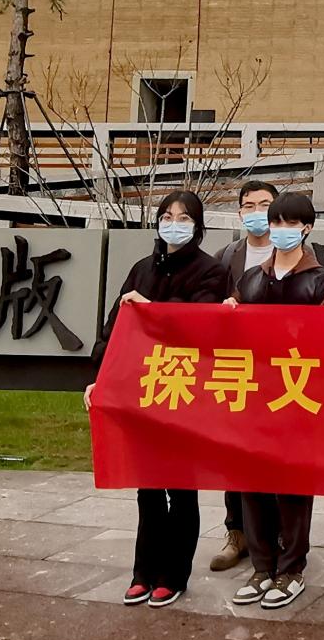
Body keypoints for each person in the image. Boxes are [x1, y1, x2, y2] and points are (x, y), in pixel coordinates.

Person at [83, 189, 233, 609]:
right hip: (141, 391)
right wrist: (100, 380)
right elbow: (114, 330)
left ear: (198, 226)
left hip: (183, 391)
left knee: (180, 488)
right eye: (167, 216)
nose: (173, 224)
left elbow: (200, 329)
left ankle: (174, 575)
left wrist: (150, 309)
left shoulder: (212, 271)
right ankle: (143, 572)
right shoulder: (142, 268)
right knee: (146, 486)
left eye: (184, 218)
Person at [227, 191, 324, 611]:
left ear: (306, 228)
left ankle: (291, 568)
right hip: (254, 396)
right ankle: (261, 566)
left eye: (290, 223)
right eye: (275, 222)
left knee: (292, 487)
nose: (279, 230)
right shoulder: (251, 280)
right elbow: (231, 336)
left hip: (298, 397)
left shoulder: (321, 282)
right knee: (252, 484)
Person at [209, 179, 279, 573]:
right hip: (236, 367)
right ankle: (236, 533)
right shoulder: (226, 256)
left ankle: (277, 535)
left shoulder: (302, 254)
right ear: (239, 213)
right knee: (233, 452)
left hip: (281, 371)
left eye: (265, 205)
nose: (257, 213)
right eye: (249, 206)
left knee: (276, 453)